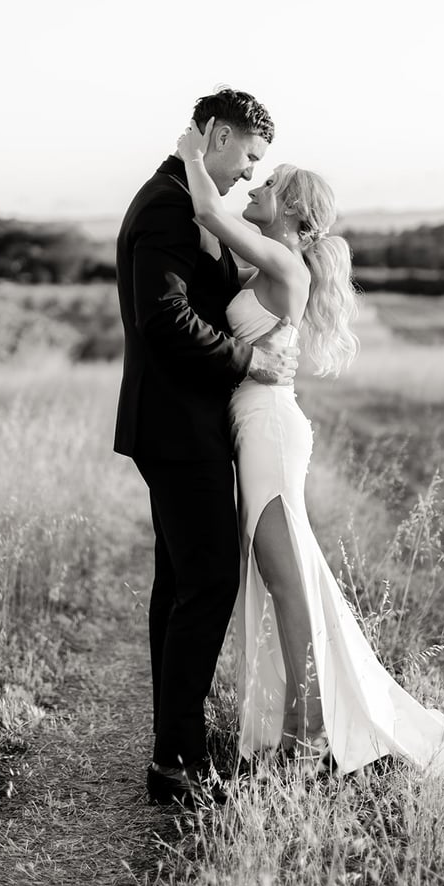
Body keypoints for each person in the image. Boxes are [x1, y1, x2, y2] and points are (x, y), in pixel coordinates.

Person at [176, 118, 444, 778]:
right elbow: (208, 232)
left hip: (270, 432)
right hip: (255, 427)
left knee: (288, 584)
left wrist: (190, 151)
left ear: (294, 216)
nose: (256, 186)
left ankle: (305, 733)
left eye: (270, 185)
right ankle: (306, 719)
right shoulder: (268, 260)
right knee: (290, 577)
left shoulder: (283, 261)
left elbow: (203, 207)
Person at [113, 88, 299, 806]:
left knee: (181, 584)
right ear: (217, 134)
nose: (252, 172)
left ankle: (174, 746)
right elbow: (164, 319)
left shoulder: (183, 198)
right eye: (249, 154)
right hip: (176, 424)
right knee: (210, 579)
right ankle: (176, 758)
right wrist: (248, 363)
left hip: (184, 422)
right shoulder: (164, 205)